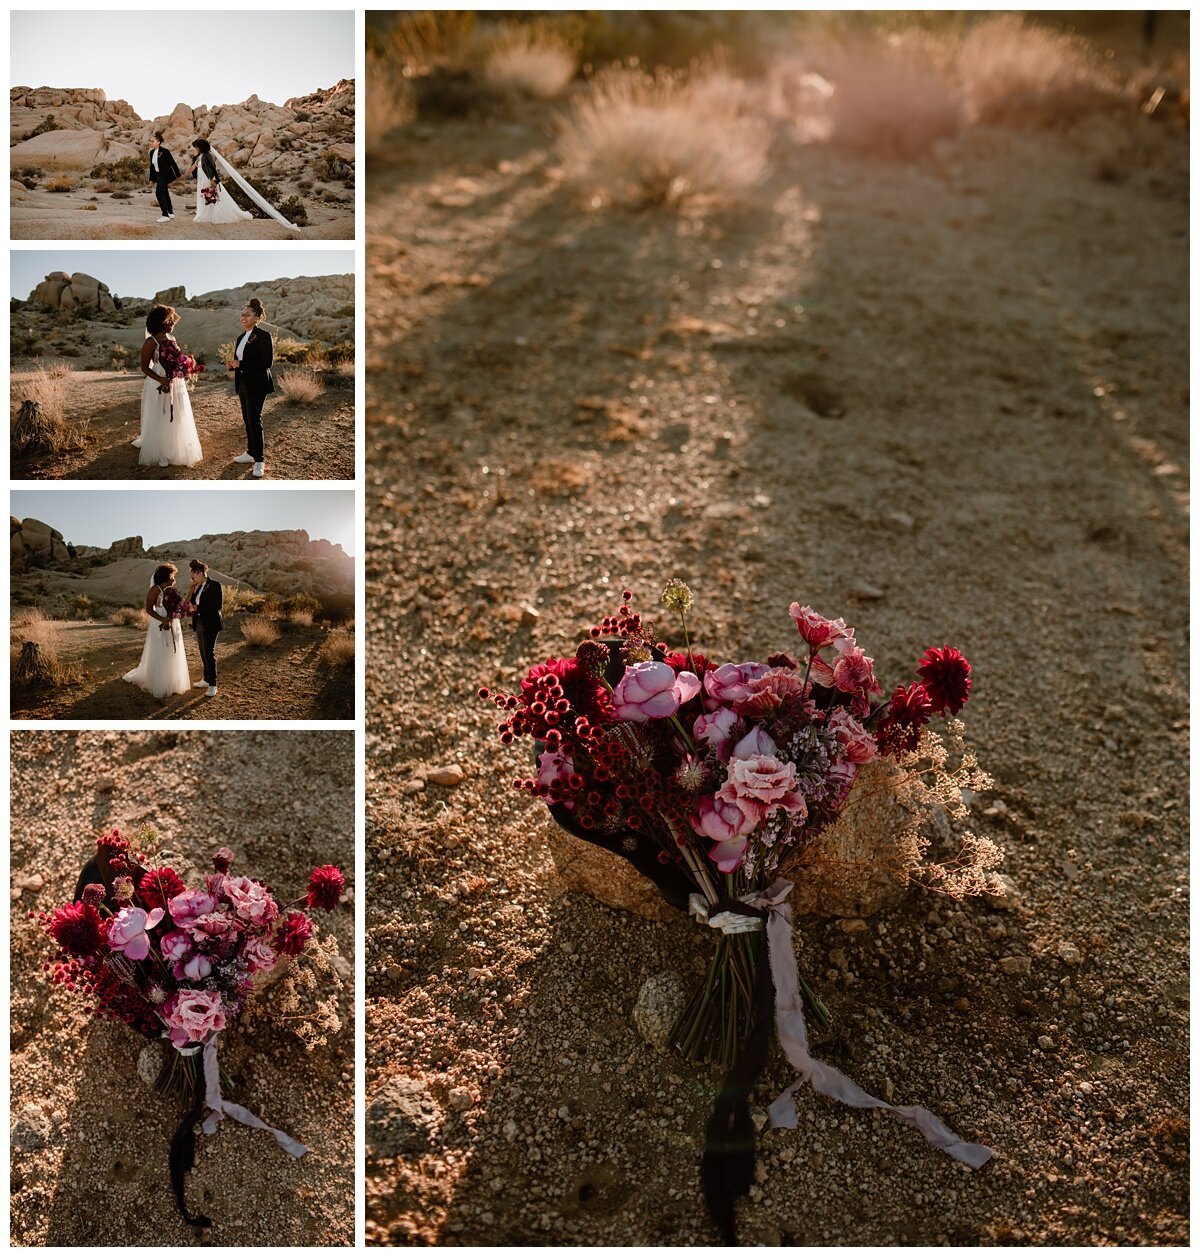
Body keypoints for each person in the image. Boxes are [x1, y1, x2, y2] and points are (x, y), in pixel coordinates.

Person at [133, 304, 203, 469]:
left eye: (172, 320)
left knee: (177, 413)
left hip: (175, 383)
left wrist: (184, 368)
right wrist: (160, 379)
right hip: (158, 383)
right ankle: (161, 452)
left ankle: (176, 447)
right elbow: (144, 367)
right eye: (169, 320)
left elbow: (177, 360)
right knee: (160, 414)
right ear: (160, 321)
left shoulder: (172, 339)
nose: (172, 322)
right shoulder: (151, 342)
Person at [122, 563, 192, 698]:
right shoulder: (155, 590)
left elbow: (179, 605)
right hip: (158, 623)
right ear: (166, 576)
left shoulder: (172, 590)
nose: (174, 579)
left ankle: (172, 681)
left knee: (172, 649)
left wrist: (176, 614)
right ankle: (159, 683)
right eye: (172, 576)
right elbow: (148, 609)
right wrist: (162, 619)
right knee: (160, 651)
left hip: (172, 623)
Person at [230, 298, 274, 479]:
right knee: (247, 420)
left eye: (247, 314)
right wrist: (234, 365)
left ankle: (259, 460)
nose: (243, 317)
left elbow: (267, 362)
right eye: (242, 314)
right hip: (242, 384)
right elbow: (241, 362)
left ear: (257, 317)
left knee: (255, 420)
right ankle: (250, 453)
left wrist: (241, 363)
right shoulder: (241, 337)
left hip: (258, 383)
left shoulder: (264, 336)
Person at [185, 137, 253, 227]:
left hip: (207, 179)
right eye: (195, 147)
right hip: (201, 180)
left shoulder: (207, 155)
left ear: (202, 147)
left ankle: (217, 216)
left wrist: (214, 180)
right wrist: (184, 175)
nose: (196, 148)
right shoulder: (198, 156)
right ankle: (206, 215)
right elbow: (193, 167)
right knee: (204, 197)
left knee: (211, 198)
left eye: (197, 147)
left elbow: (213, 168)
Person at [187, 559, 223, 698]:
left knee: (209, 652)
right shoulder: (197, 587)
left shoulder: (215, 585)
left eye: (193, 576)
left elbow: (217, 605)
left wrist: (198, 608)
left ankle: (213, 685)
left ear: (200, 572)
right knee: (202, 652)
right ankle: (206, 679)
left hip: (211, 623)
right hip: (199, 622)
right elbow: (192, 603)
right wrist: (192, 592)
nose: (192, 579)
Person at [148, 131, 181, 224]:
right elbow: (152, 167)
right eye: (150, 141)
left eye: (152, 141)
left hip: (165, 175)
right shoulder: (151, 152)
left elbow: (172, 163)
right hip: (158, 175)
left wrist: (178, 174)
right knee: (165, 194)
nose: (151, 142)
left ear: (158, 142)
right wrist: (152, 179)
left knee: (159, 194)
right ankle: (170, 212)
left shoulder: (165, 151)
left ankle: (165, 215)